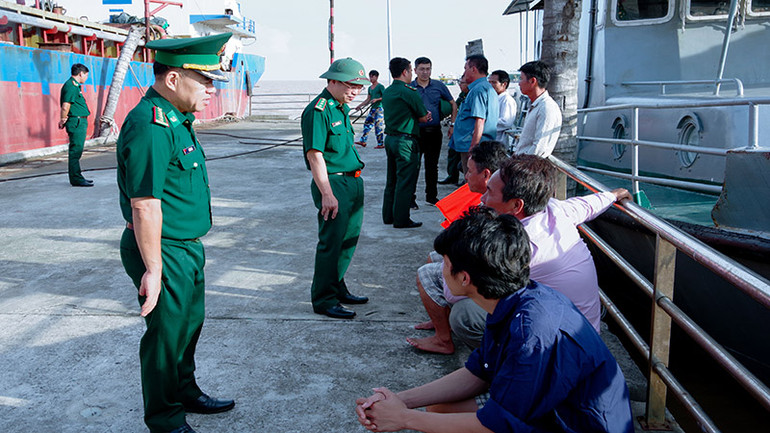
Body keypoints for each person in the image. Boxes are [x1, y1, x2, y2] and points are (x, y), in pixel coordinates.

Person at [355, 207, 635, 433]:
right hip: (555, 410)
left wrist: (404, 419)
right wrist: (399, 400)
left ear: (464, 278)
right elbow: (479, 372)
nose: (441, 269)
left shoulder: (533, 332)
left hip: (576, 424)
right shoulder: (514, 300)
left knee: (442, 418)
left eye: (445, 263)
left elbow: (498, 424)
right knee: (441, 408)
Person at [116, 33, 236, 433]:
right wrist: (153, 269)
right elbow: (145, 203)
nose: (210, 90)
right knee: (166, 336)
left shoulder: (178, 119)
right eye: (204, 81)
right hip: (162, 248)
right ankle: (165, 418)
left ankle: (185, 391)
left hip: (186, 247)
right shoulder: (151, 125)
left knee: (188, 325)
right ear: (172, 79)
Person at [449, 155, 632, 349]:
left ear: (516, 205)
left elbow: (455, 291)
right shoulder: (555, 209)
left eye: (489, 192)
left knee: (464, 314)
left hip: (563, 343)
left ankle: (504, 366)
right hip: (581, 327)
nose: (482, 199)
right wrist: (612, 195)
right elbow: (588, 205)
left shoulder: (517, 246)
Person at [408, 141, 509, 354]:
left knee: (426, 274)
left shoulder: (498, 201)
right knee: (434, 257)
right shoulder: (491, 195)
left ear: (486, 174)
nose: (465, 176)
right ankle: (440, 322)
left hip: (495, 278)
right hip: (485, 264)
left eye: (469, 171)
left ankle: (444, 340)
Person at [301, 58, 372, 319]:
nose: (355, 91)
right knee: (331, 242)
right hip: (333, 183)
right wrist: (327, 194)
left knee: (347, 242)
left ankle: (337, 285)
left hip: (352, 180)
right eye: (351, 85)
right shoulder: (318, 111)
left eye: (360, 87)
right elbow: (315, 155)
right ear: (332, 80)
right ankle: (323, 298)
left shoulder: (340, 107)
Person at [381, 57, 431, 229]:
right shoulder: (409, 91)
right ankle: (401, 219)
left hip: (391, 139)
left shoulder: (387, 91)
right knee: (405, 182)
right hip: (406, 142)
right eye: (411, 71)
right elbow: (423, 116)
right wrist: (427, 115)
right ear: (405, 72)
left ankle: (388, 216)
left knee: (392, 179)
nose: (411, 74)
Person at [411, 57, 457, 204]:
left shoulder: (438, 86)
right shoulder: (410, 88)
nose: (425, 72)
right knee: (414, 166)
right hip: (416, 133)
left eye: (428, 69)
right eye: (422, 69)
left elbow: (453, 104)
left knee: (432, 166)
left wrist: (452, 125)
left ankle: (431, 196)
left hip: (434, 132)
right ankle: (410, 198)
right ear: (415, 70)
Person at [448, 55, 498, 175]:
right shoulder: (486, 88)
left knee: (472, 183)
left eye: (466, 68)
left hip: (471, 146)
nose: (464, 72)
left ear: (474, 69)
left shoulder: (478, 90)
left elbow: (480, 121)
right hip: (477, 145)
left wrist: (473, 147)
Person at [513, 61, 562, 157]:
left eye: (521, 79)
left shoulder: (546, 108)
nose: (519, 83)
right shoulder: (536, 105)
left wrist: (516, 166)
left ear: (532, 81)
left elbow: (539, 148)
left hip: (527, 167)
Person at [59, 63, 93, 187]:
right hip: (76, 121)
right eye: (86, 75)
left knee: (77, 151)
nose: (86, 78)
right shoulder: (71, 86)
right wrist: (63, 119)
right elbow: (66, 105)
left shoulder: (75, 86)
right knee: (75, 151)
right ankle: (76, 178)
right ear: (80, 74)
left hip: (79, 120)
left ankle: (77, 176)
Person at [438, 74, 469, 186]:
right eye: (459, 83)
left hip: (466, 131)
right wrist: (452, 125)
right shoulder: (462, 96)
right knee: (452, 152)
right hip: (457, 128)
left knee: (465, 158)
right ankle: (452, 176)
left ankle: (466, 180)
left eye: (462, 83)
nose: (460, 85)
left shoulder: (471, 95)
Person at [354, 70, 385, 149]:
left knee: (378, 126)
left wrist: (377, 99)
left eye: (372, 76)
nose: (371, 78)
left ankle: (380, 143)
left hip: (379, 109)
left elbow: (385, 96)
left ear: (376, 77)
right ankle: (363, 141)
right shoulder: (370, 88)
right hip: (372, 109)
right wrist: (360, 106)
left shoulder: (380, 86)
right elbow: (368, 99)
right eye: (370, 76)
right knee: (367, 124)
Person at [487, 69, 517, 144]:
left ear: (504, 84)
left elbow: (506, 122)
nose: (490, 85)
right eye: (489, 82)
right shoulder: (492, 98)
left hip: (497, 141)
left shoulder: (507, 100)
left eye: (494, 82)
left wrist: (485, 122)